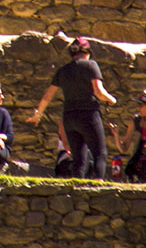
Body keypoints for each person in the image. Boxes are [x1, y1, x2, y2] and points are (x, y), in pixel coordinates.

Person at [28, 36, 117, 179]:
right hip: (88, 114)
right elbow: (99, 92)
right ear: (88, 52)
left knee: (78, 158)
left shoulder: (62, 71)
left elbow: (47, 96)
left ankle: (77, 188)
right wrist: (112, 99)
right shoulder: (91, 65)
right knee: (99, 153)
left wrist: (38, 114)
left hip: (69, 116)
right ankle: (100, 184)